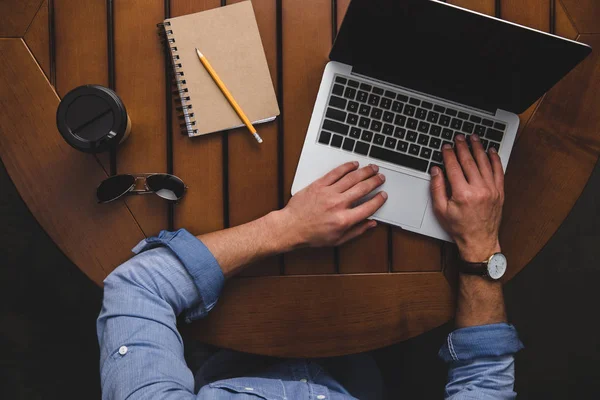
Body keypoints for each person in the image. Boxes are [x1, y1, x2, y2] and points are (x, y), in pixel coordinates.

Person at [97, 133, 523, 399]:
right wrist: (480, 243)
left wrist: (287, 226)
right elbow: (483, 384)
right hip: (375, 363)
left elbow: (137, 287)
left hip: (225, 350)